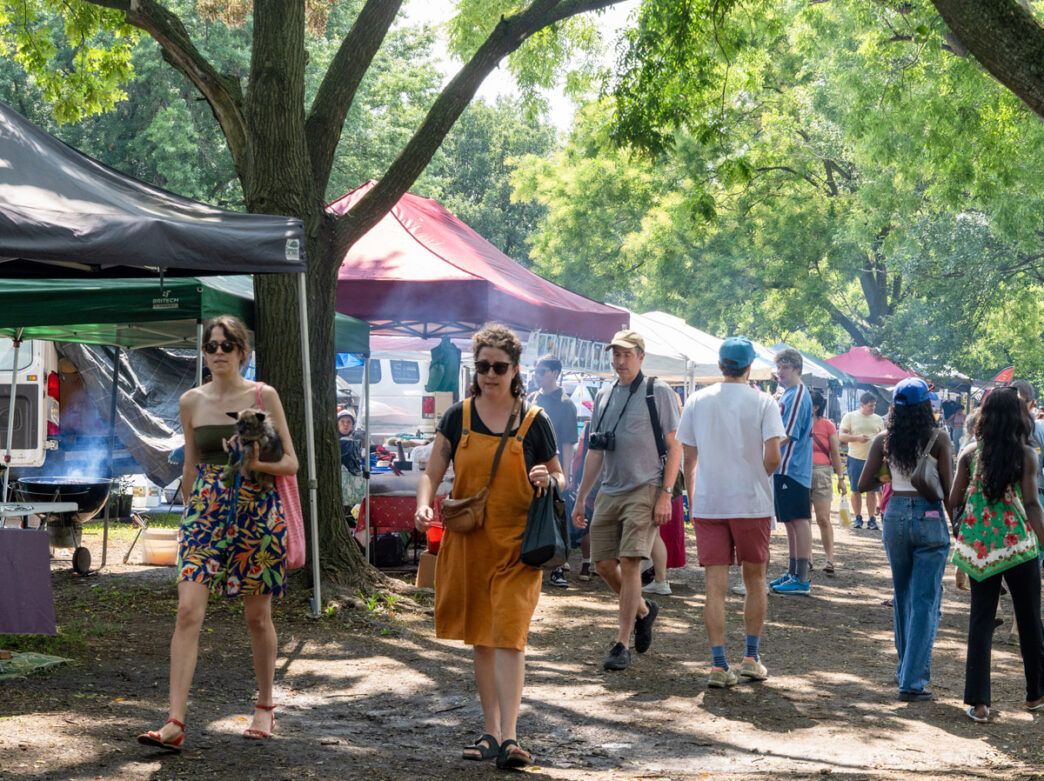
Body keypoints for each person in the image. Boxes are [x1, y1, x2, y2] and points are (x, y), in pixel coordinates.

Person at [138, 315, 299, 752]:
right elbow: (190, 463)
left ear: (242, 351)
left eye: (227, 345)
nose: (218, 353)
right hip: (205, 514)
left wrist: (254, 464)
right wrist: (192, 509)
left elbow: (291, 464)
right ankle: (174, 721)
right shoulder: (191, 401)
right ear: (203, 353)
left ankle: (265, 705)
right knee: (188, 611)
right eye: (211, 346)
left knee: (257, 617)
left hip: (255, 511)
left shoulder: (264, 396)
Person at [414, 323, 562, 770]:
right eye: (483, 366)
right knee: (481, 637)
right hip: (469, 543)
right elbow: (432, 472)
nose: (490, 374)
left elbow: (560, 476)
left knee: (510, 637)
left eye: (499, 367)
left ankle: (513, 737)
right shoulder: (457, 416)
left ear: (515, 369)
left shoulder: (535, 421)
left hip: (519, 547)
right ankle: (491, 732)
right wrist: (423, 505)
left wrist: (547, 479)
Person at [571, 329, 682, 671]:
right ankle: (644, 611)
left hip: (645, 488)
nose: (620, 361)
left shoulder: (657, 391)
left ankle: (621, 642)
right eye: (616, 355)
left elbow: (675, 445)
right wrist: (581, 497)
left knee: (631, 561)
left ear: (641, 357)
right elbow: (595, 450)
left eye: (627, 355)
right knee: (604, 565)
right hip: (610, 489)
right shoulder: (603, 395)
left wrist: (665, 494)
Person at [677, 336, 785, 687]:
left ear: (720, 364)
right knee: (755, 581)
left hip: (710, 503)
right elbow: (773, 458)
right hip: (751, 504)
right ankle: (751, 658)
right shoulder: (764, 402)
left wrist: (694, 500)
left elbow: (689, 459)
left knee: (715, 587)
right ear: (749, 365)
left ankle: (719, 666)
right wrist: (753, 476)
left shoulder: (696, 400)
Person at [949, 387, 1044, 722]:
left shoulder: (970, 453)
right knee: (1031, 619)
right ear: (1018, 416)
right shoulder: (1027, 455)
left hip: (980, 550)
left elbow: (953, 500)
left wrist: (961, 531)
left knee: (981, 619)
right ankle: (1035, 695)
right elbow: (1032, 504)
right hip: (1020, 546)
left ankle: (979, 703)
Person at [859, 377, 953, 702]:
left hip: (894, 514)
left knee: (902, 596)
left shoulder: (883, 439)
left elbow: (862, 483)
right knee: (926, 601)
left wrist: (888, 475)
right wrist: (959, 529)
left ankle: (903, 670)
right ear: (926, 405)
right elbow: (949, 492)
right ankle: (913, 682)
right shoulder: (939, 439)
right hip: (929, 516)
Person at [528, 354, 578, 589]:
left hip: (553, 468)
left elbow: (568, 443)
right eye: (535, 371)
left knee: (557, 517)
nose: (537, 375)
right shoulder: (532, 399)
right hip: (530, 468)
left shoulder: (565, 403)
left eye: (541, 371)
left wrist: (565, 475)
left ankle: (558, 568)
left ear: (555, 373)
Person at [769, 348, 815, 597]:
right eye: (779, 367)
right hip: (784, 466)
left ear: (797, 369)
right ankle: (792, 572)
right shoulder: (787, 393)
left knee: (798, 520)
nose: (780, 372)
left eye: (785, 367)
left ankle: (802, 577)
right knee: (790, 522)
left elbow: (787, 434)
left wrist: (765, 452)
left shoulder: (797, 393)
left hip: (792, 466)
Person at [810, 390, 846, 574]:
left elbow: (835, 453)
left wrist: (840, 478)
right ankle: (806, 558)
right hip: (799, 472)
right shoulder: (797, 423)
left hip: (822, 473)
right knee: (803, 519)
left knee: (822, 518)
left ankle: (829, 558)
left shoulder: (828, 426)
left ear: (816, 407)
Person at [840, 392, 886, 530]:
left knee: (872, 490)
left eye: (874, 405)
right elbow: (841, 435)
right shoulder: (850, 416)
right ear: (862, 405)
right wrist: (857, 438)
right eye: (870, 406)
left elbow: (883, 437)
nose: (873, 408)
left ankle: (872, 518)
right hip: (855, 458)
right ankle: (858, 517)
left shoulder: (878, 419)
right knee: (855, 490)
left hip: (874, 459)